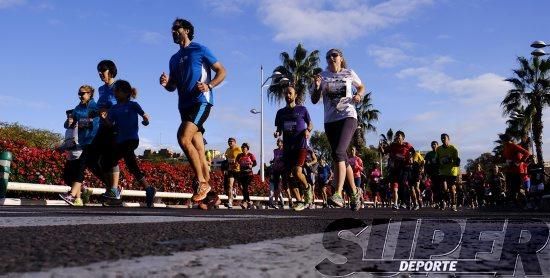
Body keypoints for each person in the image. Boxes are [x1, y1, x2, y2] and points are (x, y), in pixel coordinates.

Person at [159, 18, 227, 202]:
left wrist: (209, 85)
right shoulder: (173, 59)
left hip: (201, 101)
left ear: (187, 30)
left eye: (176, 29)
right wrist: (166, 84)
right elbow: (173, 86)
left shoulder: (200, 49)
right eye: (171, 29)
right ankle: (211, 195)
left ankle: (201, 183)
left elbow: (222, 71)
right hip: (184, 106)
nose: (173, 32)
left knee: (183, 138)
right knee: (198, 149)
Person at [311, 48, 364, 211]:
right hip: (330, 120)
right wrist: (318, 86)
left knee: (340, 152)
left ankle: (339, 194)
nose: (331, 58)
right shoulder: (322, 75)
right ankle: (355, 194)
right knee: (339, 157)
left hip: (348, 116)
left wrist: (359, 95)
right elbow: (314, 100)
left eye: (334, 55)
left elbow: (361, 86)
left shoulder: (349, 72)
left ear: (341, 58)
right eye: (328, 56)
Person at [99, 80, 156, 207]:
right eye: (114, 91)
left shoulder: (133, 105)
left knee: (129, 162)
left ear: (126, 92)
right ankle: (148, 189)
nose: (115, 93)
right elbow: (110, 124)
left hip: (131, 139)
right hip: (120, 141)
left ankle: (114, 191)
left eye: (117, 90)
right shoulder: (113, 108)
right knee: (110, 162)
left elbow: (145, 117)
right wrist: (104, 119)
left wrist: (145, 121)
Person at [274, 84, 313, 211]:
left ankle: (307, 188)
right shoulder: (280, 113)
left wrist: (308, 130)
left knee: (297, 172)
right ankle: (299, 201)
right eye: (286, 93)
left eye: (290, 93)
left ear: (295, 95)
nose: (288, 95)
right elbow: (279, 129)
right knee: (289, 176)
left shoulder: (302, 109)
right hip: (288, 147)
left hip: (300, 145)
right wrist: (277, 133)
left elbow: (310, 124)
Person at [59, 85, 100, 206]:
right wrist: (69, 121)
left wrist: (81, 122)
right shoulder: (77, 108)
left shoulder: (94, 106)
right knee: (91, 170)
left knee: (81, 168)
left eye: (83, 93)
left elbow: (96, 123)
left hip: (93, 141)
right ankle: (81, 193)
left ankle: (72, 195)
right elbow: (68, 126)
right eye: (79, 93)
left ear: (90, 94)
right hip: (83, 142)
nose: (80, 96)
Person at [379, 130, 414, 211]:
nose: (397, 139)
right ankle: (396, 203)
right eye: (396, 137)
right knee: (394, 187)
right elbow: (384, 152)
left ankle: (405, 202)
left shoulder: (407, 145)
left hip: (405, 168)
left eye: (399, 137)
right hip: (395, 169)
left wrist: (411, 158)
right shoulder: (393, 145)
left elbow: (413, 152)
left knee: (402, 184)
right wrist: (381, 149)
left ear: (403, 138)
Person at [58, 109, 84, 206]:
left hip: (79, 155)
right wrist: (61, 148)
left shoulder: (80, 127)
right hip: (70, 156)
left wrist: (75, 145)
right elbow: (67, 142)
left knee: (77, 177)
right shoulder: (68, 129)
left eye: (71, 116)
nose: (69, 118)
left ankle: (76, 198)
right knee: (68, 178)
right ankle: (81, 193)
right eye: (68, 116)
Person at [501, 133, 530, 207]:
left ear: (506, 140)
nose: (502, 142)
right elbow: (506, 158)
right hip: (509, 170)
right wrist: (505, 163)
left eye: (502, 140)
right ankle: (515, 203)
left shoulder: (514, 146)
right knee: (509, 188)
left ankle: (525, 202)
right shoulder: (505, 147)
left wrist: (519, 162)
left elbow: (527, 153)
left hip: (516, 170)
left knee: (516, 188)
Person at [437, 133, 460, 211]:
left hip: (451, 171)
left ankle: (453, 204)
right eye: (442, 138)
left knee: (452, 189)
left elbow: (457, 161)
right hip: (443, 171)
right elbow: (437, 159)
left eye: (444, 138)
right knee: (444, 188)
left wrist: (453, 161)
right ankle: (444, 202)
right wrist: (439, 163)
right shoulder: (439, 149)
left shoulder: (453, 149)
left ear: (448, 139)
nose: (443, 139)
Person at [235, 143, 257, 209]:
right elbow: (236, 162)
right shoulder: (239, 155)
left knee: (245, 187)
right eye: (242, 148)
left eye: (244, 148)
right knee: (242, 187)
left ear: (247, 149)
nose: (243, 149)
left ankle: (245, 201)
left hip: (249, 174)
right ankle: (249, 201)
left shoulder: (250, 155)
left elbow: (255, 163)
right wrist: (236, 164)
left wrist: (251, 165)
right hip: (241, 174)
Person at [223, 137, 242, 208]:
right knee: (229, 185)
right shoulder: (227, 150)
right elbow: (227, 160)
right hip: (230, 170)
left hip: (238, 170)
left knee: (240, 186)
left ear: (235, 142)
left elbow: (240, 158)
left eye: (231, 141)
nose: (230, 143)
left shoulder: (238, 149)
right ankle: (230, 202)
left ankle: (246, 200)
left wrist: (234, 161)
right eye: (229, 141)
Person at [269, 139, 286, 209]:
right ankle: (276, 202)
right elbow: (275, 158)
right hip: (276, 169)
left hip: (283, 169)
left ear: (282, 143)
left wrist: (281, 159)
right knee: (277, 186)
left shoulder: (284, 151)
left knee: (284, 186)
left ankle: (289, 200)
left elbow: (285, 158)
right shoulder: (275, 151)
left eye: (278, 142)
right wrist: (272, 161)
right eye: (277, 142)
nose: (277, 143)